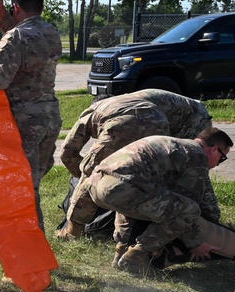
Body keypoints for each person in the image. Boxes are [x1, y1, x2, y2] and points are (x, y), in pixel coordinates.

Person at [74, 127, 232, 275]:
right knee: (189, 209)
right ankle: (139, 254)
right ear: (213, 149)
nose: (218, 164)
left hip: (95, 185)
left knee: (141, 203)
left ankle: (122, 252)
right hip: (123, 187)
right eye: (222, 158)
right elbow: (188, 208)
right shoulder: (197, 156)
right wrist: (196, 243)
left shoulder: (172, 143)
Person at [58, 89, 212, 239]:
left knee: (97, 173)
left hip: (191, 121)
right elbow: (68, 154)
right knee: (142, 175)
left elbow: (68, 154)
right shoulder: (105, 108)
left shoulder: (94, 114)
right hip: (159, 118)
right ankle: (189, 219)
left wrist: (88, 178)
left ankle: (74, 231)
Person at [0, 0, 62, 229]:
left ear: (15, 7)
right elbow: (24, 38)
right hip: (50, 117)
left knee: (25, 188)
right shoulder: (51, 31)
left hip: (26, 123)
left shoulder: (16, 37)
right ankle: (30, 245)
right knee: (32, 183)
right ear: (41, 6)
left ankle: (32, 249)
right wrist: (3, 19)